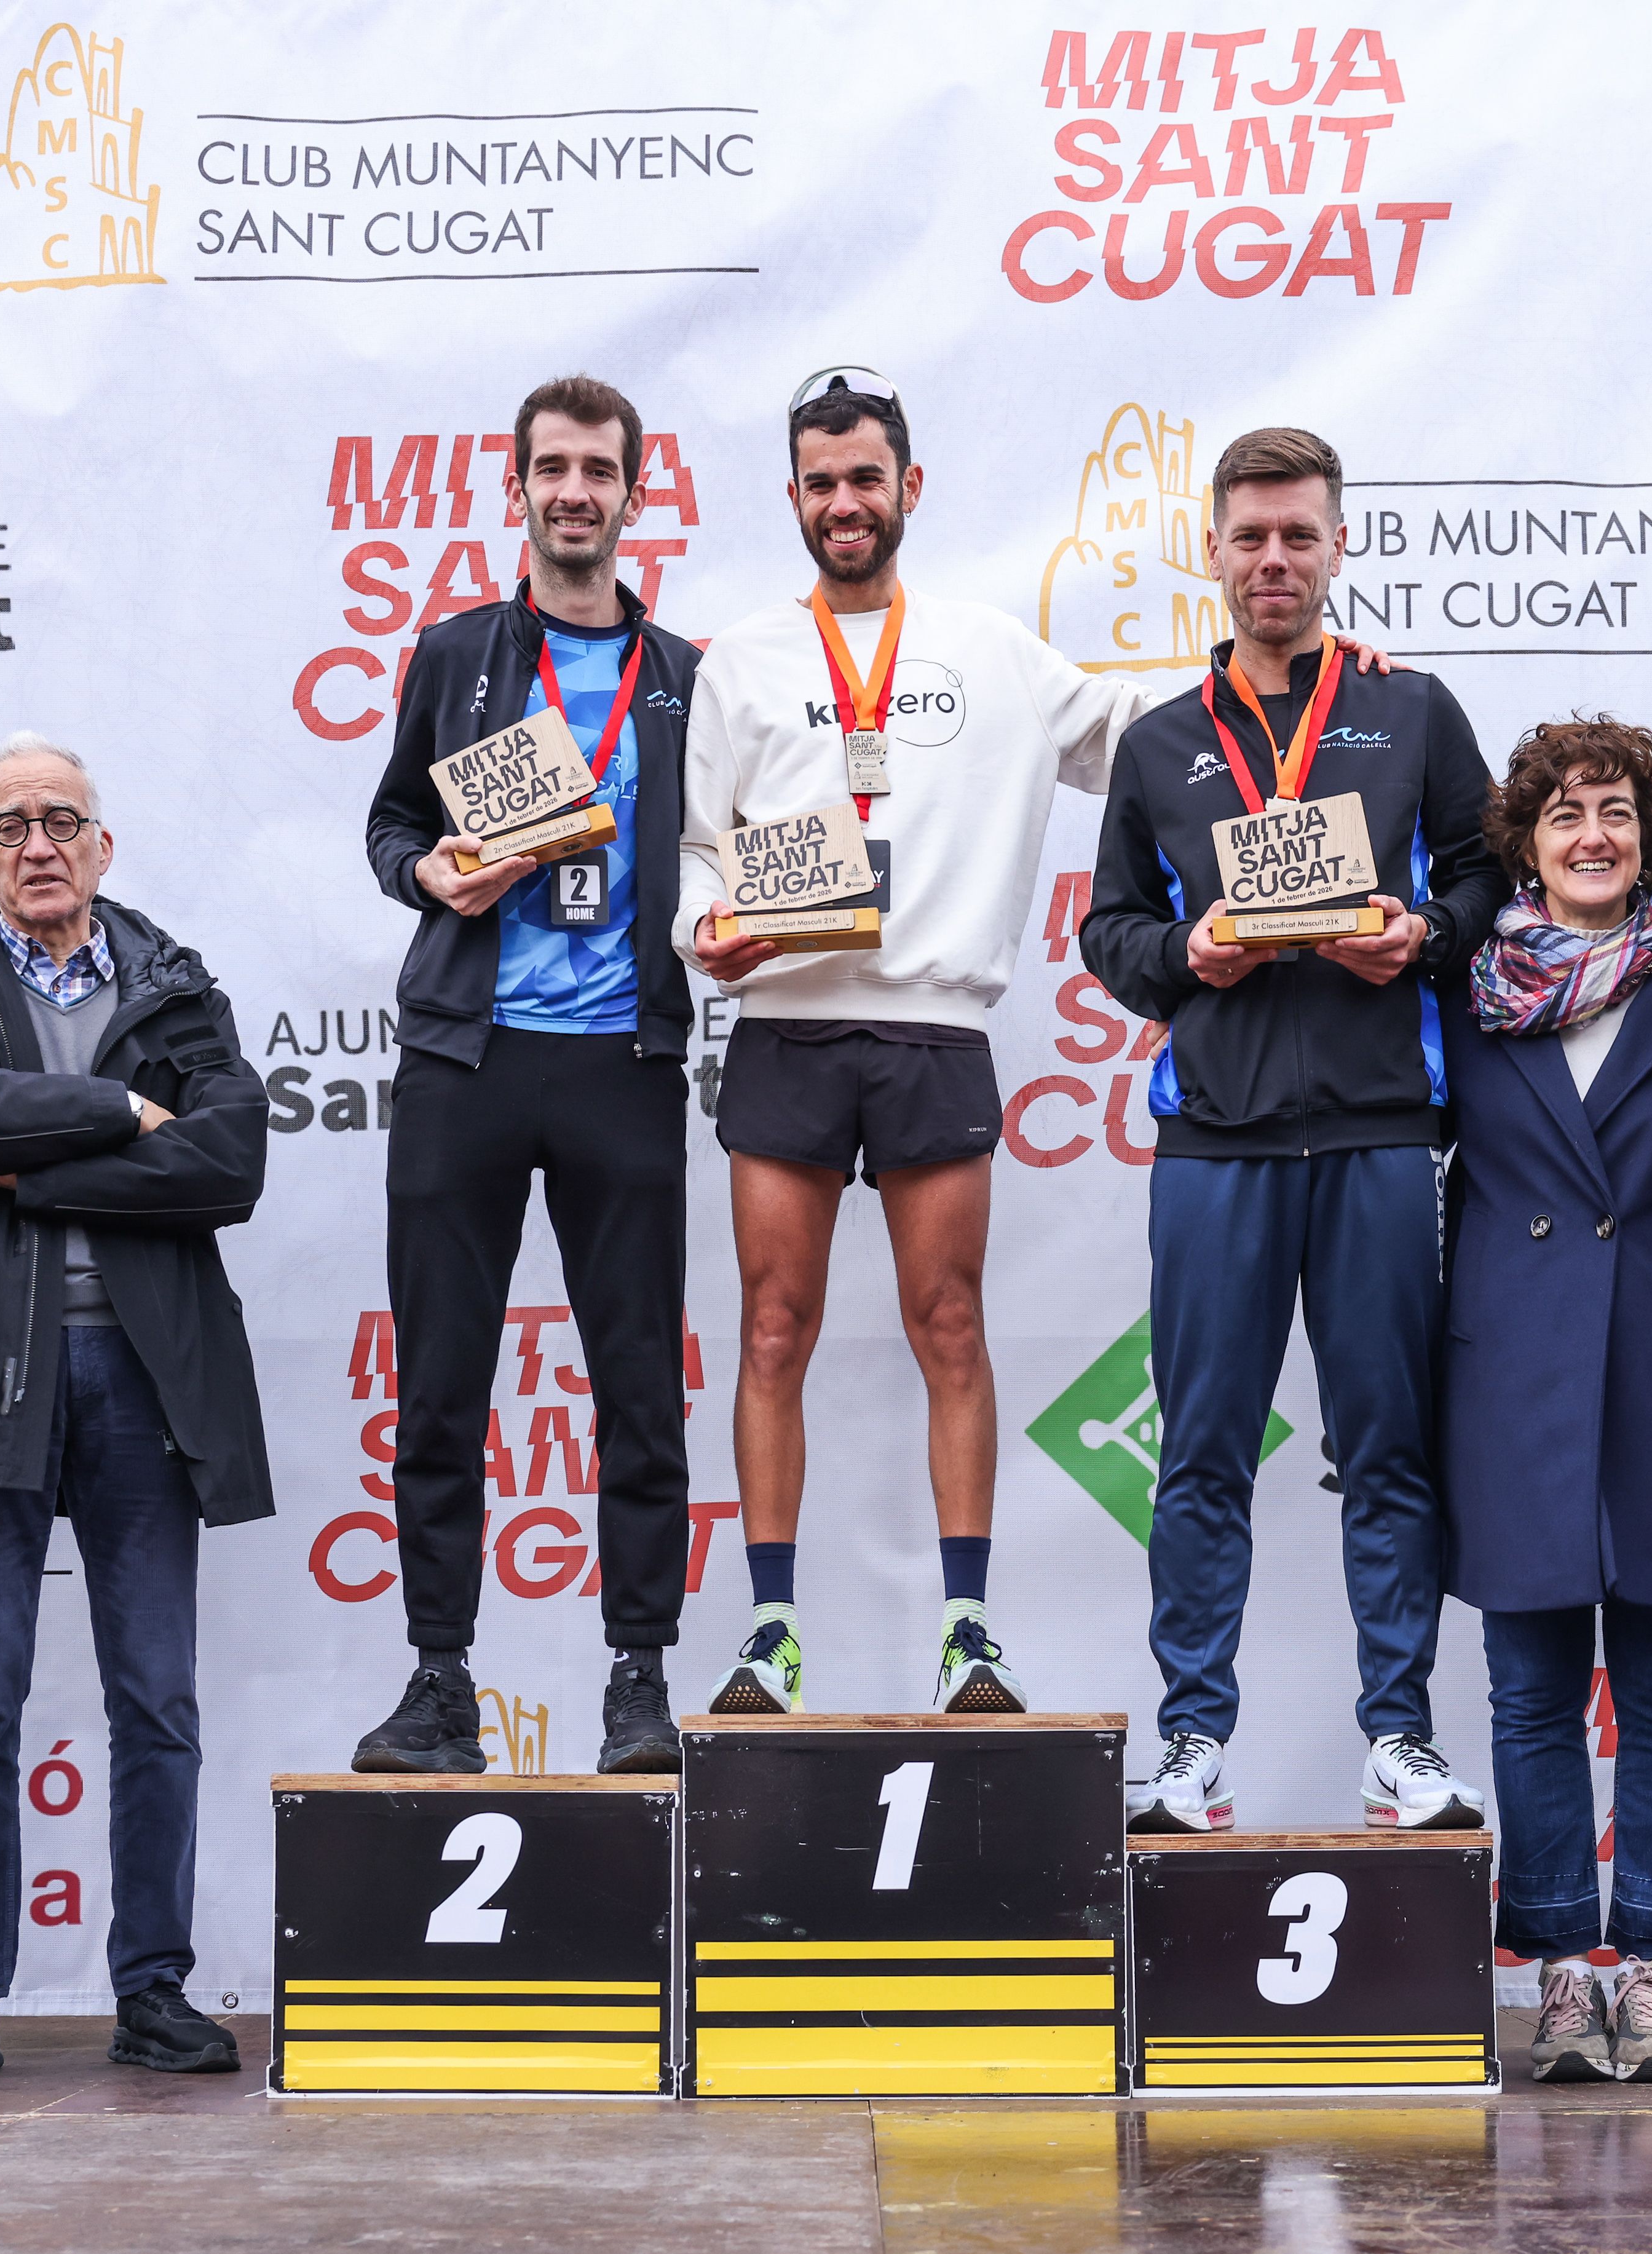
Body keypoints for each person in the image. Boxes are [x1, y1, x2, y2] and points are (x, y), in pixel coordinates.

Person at [678, 366, 1387, 1716]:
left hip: (934, 1026)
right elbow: (703, 850)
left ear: (908, 490)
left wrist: (1326, 696)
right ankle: (768, 1631)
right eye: (820, 483)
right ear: (793, 499)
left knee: (951, 1325)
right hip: (781, 1023)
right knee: (773, 1330)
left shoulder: (994, 651)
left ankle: (967, 1632)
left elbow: (1153, 740)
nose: (844, 502)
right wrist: (704, 927)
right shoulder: (744, 661)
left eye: (865, 479)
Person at [1079, 426, 1501, 1833]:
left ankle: (1400, 1740)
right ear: (1214, 550)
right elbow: (1110, 934)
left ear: (1335, 546)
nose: (1273, 559)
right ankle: (1193, 1741)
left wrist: (1425, 933)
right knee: (1201, 1452)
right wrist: (1188, 956)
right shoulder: (1157, 743)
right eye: (1250, 536)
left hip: (1384, 1134)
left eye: (1298, 535)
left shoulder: (1413, 710)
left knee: (1390, 1450)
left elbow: (1492, 877)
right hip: (1218, 1145)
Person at [0, 737, 274, 2086]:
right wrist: (109, 1109)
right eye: (9, 825)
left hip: (146, 1387)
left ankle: (153, 1989)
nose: (37, 843)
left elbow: (225, 1165)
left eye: (62, 821)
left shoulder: (178, 983)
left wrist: (29, 1175)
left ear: (105, 846)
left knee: (156, 1698)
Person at [355, 374, 706, 1776]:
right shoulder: (454, 653)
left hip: (624, 1056)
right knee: (442, 1381)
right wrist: (425, 869)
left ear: (634, 492)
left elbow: (726, 847)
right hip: (469, 1056)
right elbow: (391, 823)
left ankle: (639, 1680)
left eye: (599, 469)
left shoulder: (683, 675)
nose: (575, 490)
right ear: (517, 490)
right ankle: (439, 1681)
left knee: (637, 1386)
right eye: (550, 468)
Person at [1438, 720, 1652, 2084]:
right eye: (1565, 813)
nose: (1592, 835)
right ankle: (1564, 1969)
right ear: (1524, 840)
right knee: (1528, 1692)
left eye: (1615, 811)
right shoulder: (1463, 997)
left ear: (1648, 834)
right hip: (1510, 1370)